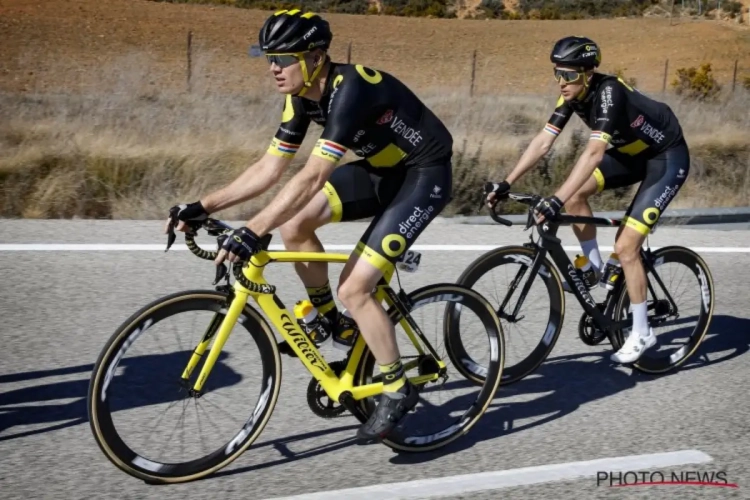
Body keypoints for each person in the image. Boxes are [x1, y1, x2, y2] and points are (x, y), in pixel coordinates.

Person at [165, 9, 454, 443]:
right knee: (295, 224)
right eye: (269, 59)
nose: (273, 69)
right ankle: (333, 322)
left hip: (424, 174)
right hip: (381, 169)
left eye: (282, 59)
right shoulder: (300, 96)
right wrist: (202, 205)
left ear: (316, 57)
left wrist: (253, 227)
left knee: (355, 288)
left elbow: (313, 175)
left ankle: (396, 387)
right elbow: (268, 168)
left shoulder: (350, 89)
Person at [485, 35, 690, 364]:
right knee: (575, 195)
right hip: (632, 156)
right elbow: (542, 142)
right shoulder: (570, 95)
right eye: (557, 74)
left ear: (588, 74)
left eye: (568, 75)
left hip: (666, 158)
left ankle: (642, 331)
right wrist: (507, 182)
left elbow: (594, 152)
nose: (561, 82)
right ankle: (595, 266)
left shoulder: (610, 92)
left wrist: (555, 198)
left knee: (626, 248)